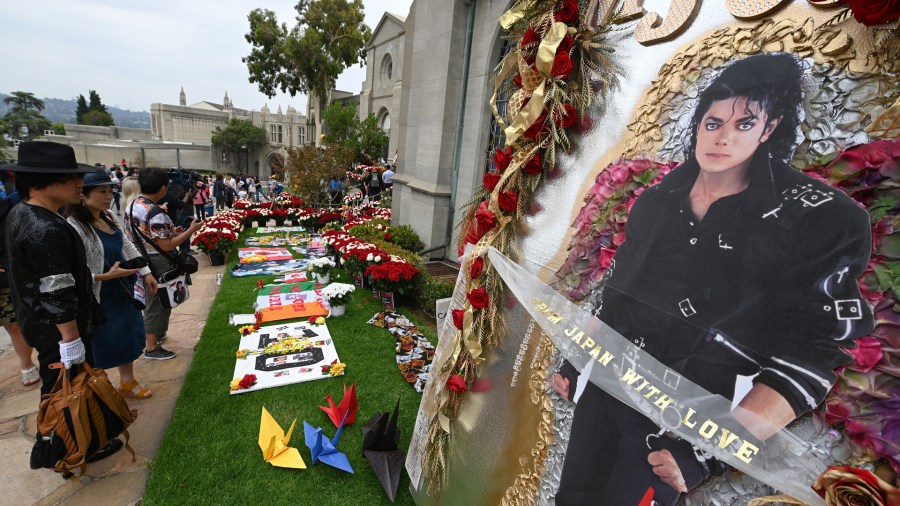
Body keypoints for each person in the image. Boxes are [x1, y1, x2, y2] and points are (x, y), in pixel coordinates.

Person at [552, 53, 874, 505]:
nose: (722, 137)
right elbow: (619, 298)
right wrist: (578, 363)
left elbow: (812, 356)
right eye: (713, 121)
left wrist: (706, 451)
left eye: (744, 124)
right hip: (606, 394)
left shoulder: (820, 219)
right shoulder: (657, 202)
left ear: (771, 128)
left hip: (680, 427)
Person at [2, 142, 126, 462]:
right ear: (41, 182)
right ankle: (63, 448)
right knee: (65, 390)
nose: (79, 184)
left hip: (42, 324)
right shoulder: (43, 226)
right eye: (70, 178)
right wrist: (70, 338)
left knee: (64, 387)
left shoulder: (25, 213)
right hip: (57, 331)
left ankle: (73, 441)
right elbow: (56, 287)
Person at [66, 168, 158, 399]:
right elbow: (74, 272)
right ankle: (100, 388)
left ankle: (127, 381)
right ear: (83, 195)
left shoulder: (108, 216)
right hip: (100, 295)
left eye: (110, 191)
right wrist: (105, 276)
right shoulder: (75, 226)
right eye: (101, 192)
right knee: (106, 341)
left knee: (129, 335)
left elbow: (127, 246)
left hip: (123, 288)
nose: (108, 196)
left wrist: (146, 272)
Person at [126, 168, 202, 360]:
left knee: (155, 300)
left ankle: (157, 334)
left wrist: (172, 230)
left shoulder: (134, 204)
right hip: (157, 260)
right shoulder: (155, 211)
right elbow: (167, 245)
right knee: (158, 302)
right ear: (162, 188)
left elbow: (148, 234)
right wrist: (190, 231)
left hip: (140, 257)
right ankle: (151, 347)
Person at [0, 191, 39, 387]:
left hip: (13, 271)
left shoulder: (10, 206)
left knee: (17, 322)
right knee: (11, 324)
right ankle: (27, 363)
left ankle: (27, 362)